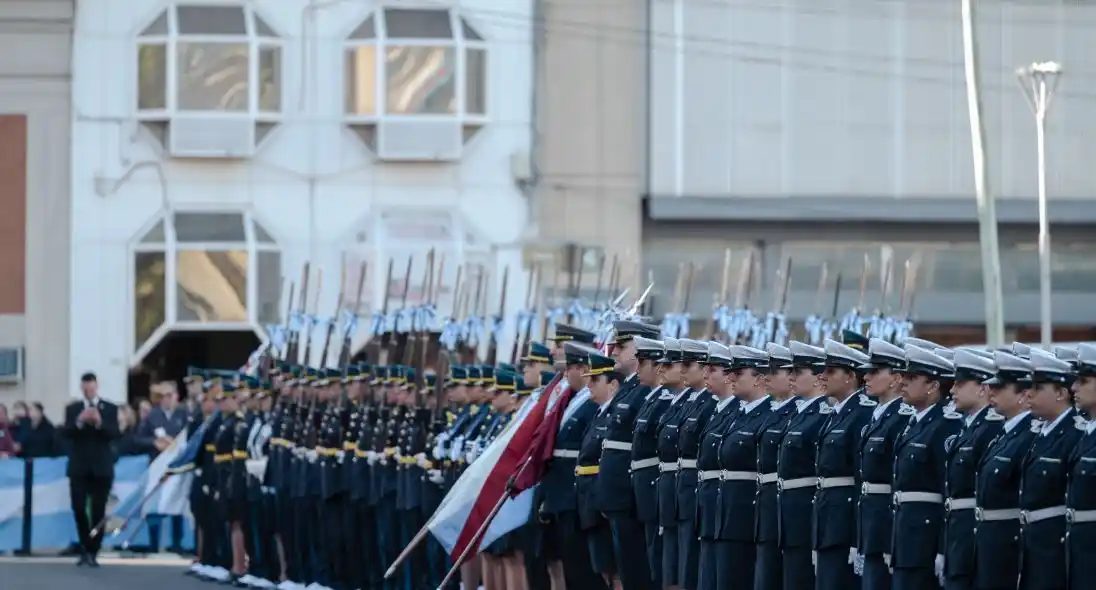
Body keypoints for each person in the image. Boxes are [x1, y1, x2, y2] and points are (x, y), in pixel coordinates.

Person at [62, 371, 121, 567]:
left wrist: (99, 422)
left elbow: (114, 434)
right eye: (85, 388)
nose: (88, 391)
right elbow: (65, 433)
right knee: (78, 507)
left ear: (97, 387)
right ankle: (84, 545)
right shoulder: (73, 409)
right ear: (81, 388)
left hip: (101, 467)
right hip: (79, 466)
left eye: (91, 388)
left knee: (98, 510)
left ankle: (93, 550)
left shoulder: (109, 408)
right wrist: (79, 421)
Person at [136, 381, 189, 553]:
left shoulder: (184, 414)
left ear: (176, 396)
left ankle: (177, 543)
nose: (166, 399)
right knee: (154, 503)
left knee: (176, 502)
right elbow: (138, 439)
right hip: (157, 466)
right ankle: (154, 542)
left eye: (169, 395)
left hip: (177, 466)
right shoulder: (153, 415)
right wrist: (154, 442)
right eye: (162, 396)